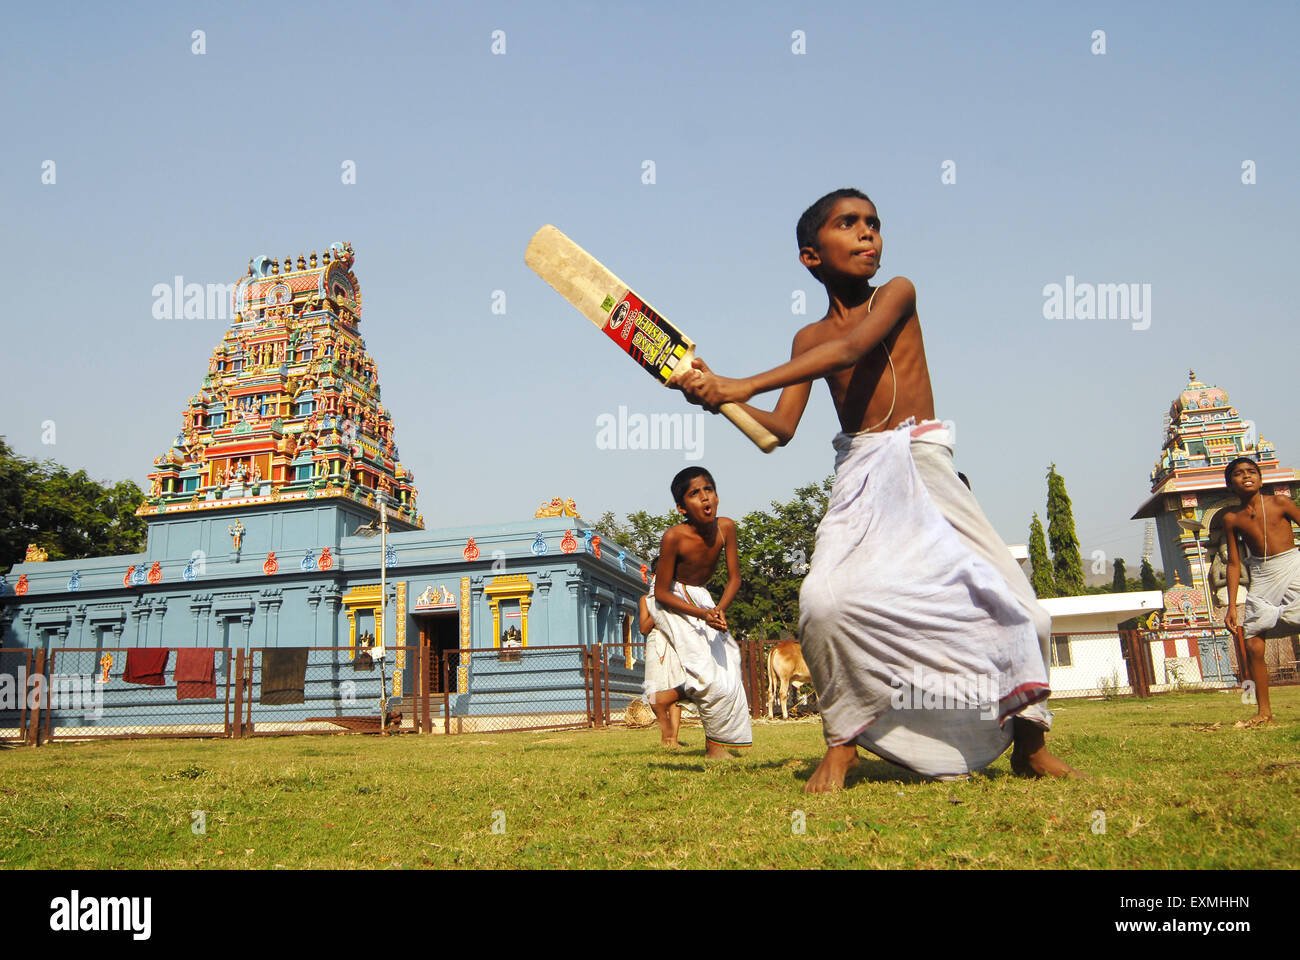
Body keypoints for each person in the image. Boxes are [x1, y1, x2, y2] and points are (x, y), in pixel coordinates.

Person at [676, 188, 1078, 790]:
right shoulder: (806, 342)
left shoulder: (899, 293)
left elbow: (855, 347)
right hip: (860, 473)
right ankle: (842, 743)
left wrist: (739, 385)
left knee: (1020, 608)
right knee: (825, 604)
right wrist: (712, 395)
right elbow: (777, 432)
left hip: (924, 462)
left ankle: (1029, 741)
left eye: (873, 223)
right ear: (811, 256)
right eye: (849, 224)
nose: (869, 234)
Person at [652, 468, 752, 757]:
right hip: (672, 598)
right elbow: (661, 593)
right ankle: (714, 747)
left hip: (702, 600)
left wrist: (718, 610)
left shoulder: (726, 528)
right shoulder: (674, 537)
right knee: (706, 675)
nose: (704, 496)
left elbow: (735, 578)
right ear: (682, 507)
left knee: (729, 665)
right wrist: (702, 614)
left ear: (717, 495)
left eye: (709, 489)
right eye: (694, 493)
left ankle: (673, 698)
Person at [1222, 456, 1300, 727]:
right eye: (1238, 473)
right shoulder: (1231, 518)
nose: (1246, 476)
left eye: (1251, 471)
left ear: (1260, 478)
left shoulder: (1281, 503)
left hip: (1293, 567)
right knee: (1253, 643)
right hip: (1262, 577)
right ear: (1230, 485)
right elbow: (1233, 562)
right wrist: (1233, 606)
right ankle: (1263, 711)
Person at [639, 555, 687, 747]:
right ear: (653, 576)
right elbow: (643, 628)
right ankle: (664, 736)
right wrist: (658, 608)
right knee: (654, 692)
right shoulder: (645, 600)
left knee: (675, 691)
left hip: (674, 644)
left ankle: (673, 739)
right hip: (654, 642)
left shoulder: (677, 597)